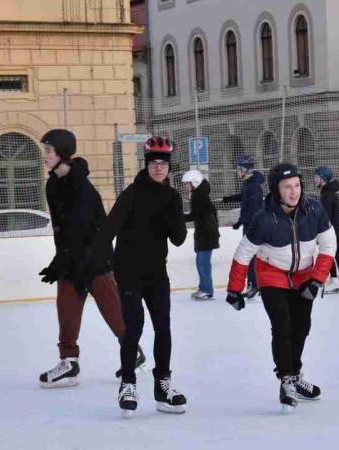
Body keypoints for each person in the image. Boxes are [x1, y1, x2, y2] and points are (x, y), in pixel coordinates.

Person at [225, 163, 337, 414]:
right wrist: (234, 289)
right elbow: (244, 254)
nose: (294, 192)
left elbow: (329, 244)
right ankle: (286, 380)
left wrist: (317, 279)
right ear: (276, 190)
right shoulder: (263, 218)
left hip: (305, 275)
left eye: (297, 185)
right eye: (287, 187)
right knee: (282, 325)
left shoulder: (314, 209)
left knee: (302, 326)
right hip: (272, 274)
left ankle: (295, 375)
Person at [37, 128, 145, 388]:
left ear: (62, 154)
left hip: (95, 261)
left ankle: (134, 353)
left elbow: (91, 230)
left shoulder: (82, 188)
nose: (44, 156)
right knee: (66, 311)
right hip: (70, 260)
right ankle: (69, 363)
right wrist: (59, 262)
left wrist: (87, 262)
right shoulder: (52, 184)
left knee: (113, 311)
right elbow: (63, 231)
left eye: (48, 151)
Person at [89, 136, 188, 418]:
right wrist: (98, 263)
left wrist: (175, 212)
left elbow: (179, 239)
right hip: (129, 272)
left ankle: (162, 385)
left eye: (163, 164)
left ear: (169, 167)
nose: (159, 168)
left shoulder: (171, 197)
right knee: (133, 328)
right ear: (147, 165)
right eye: (154, 163)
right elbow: (108, 230)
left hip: (157, 273)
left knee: (163, 328)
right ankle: (128, 384)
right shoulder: (131, 194)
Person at [222, 155, 265, 299]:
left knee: (249, 255)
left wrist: (240, 221)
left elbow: (253, 208)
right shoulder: (249, 183)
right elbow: (245, 197)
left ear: (245, 169)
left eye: (238, 169)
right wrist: (229, 199)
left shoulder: (254, 185)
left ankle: (255, 285)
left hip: (253, 225)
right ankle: (254, 284)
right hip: (249, 224)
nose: (237, 171)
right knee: (249, 255)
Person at [182, 170, 220, 300]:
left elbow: (194, 215)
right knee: (200, 262)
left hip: (206, 235)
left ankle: (207, 289)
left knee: (203, 263)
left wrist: (177, 218)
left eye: (187, 184)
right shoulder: (198, 195)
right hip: (203, 234)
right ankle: (203, 287)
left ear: (195, 182)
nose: (185, 187)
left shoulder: (200, 197)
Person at [313, 166, 339, 293]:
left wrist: (320, 229)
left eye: (316, 177)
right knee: (337, 254)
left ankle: (334, 281)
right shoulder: (329, 192)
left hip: (331, 230)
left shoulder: (326, 194)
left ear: (323, 179)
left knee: (328, 254)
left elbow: (326, 215)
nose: (314, 179)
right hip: (337, 228)